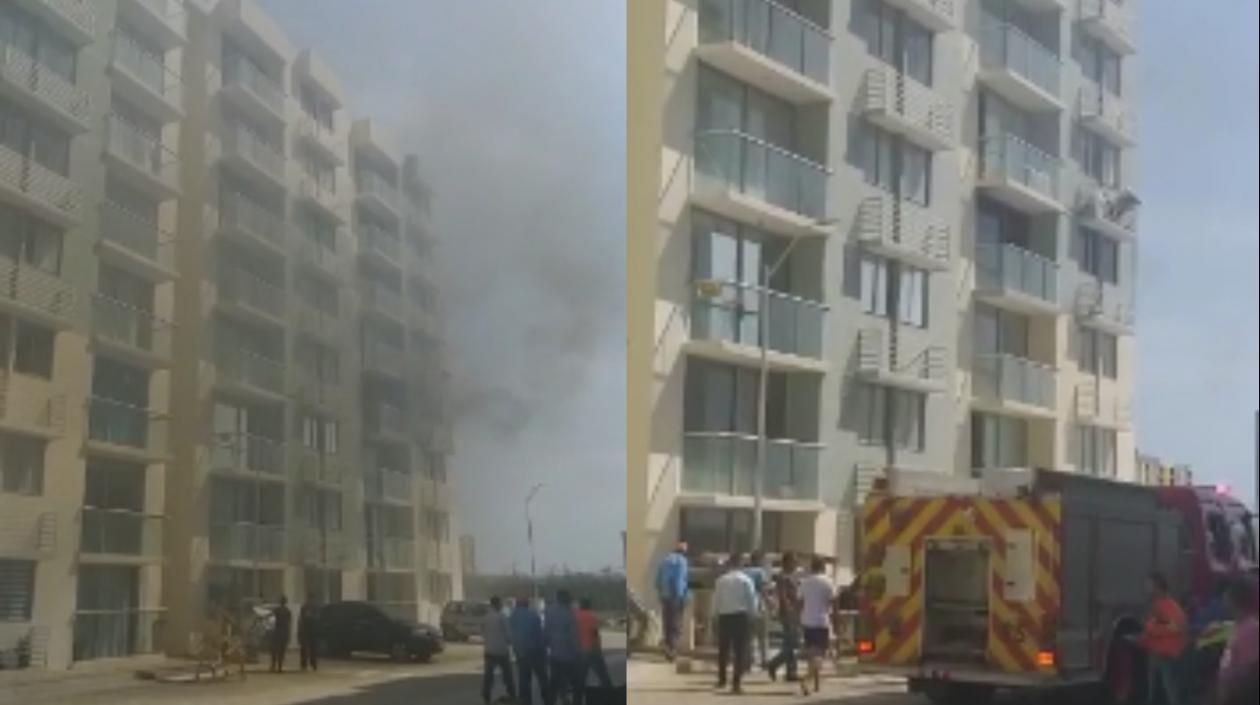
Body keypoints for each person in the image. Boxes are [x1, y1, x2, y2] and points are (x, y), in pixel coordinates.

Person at [1138, 572, 1188, 705]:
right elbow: (1153, 625)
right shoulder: (1157, 605)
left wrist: (1152, 631)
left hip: (1167, 656)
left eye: (1149, 585)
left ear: (1157, 586)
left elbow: (1176, 627)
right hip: (1156, 654)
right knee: (1154, 692)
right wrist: (1144, 639)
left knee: (1170, 692)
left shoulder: (1170, 607)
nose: (1146, 588)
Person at [713, 554, 757, 695]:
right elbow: (752, 600)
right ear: (741, 564)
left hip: (724, 616)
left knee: (723, 650)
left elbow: (716, 600)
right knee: (740, 651)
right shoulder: (746, 580)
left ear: (729, 564)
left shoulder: (720, 581)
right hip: (741, 617)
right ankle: (736, 683)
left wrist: (714, 616)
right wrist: (753, 616)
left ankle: (722, 679)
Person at [1216, 576, 1258, 705]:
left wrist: (1229, 691)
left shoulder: (1251, 629)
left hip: (1240, 695)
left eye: (1227, 596)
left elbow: (1250, 668)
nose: (1224, 600)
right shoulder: (1237, 626)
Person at [798, 557, 836, 696]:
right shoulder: (828, 581)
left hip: (807, 622)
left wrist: (800, 618)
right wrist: (836, 622)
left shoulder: (805, 582)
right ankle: (807, 679)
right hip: (821, 622)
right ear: (823, 567)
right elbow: (833, 602)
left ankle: (816, 685)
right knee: (820, 655)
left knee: (811, 654)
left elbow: (800, 602)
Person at [766, 551, 802, 683]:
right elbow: (782, 595)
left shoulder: (793, 576)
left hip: (794, 612)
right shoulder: (782, 577)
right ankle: (773, 664)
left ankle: (791, 672)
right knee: (792, 643)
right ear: (786, 562)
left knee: (790, 643)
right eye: (793, 561)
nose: (796, 564)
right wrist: (788, 611)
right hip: (788, 613)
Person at [544, 590, 583, 705]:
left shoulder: (549, 612)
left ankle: (551, 702)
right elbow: (573, 636)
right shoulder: (569, 613)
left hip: (555, 654)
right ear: (566, 599)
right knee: (576, 683)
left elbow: (546, 633)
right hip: (568, 655)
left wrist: (546, 648)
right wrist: (578, 652)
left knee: (554, 683)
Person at [510, 595, 548, 705]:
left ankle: (525, 702)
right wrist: (544, 651)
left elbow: (512, 636)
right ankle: (547, 699)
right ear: (527, 604)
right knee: (542, 678)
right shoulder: (533, 615)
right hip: (536, 652)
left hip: (522, 653)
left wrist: (516, 651)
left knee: (524, 680)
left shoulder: (513, 616)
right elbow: (540, 634)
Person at [655, 541, 689, 661]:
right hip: (675, 596)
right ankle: (672, 651)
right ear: (684, 551)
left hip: (665, 597)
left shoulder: (665, 560)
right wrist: (681, 597)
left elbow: (657, 580)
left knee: (667, 624)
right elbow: (678, 579)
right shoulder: (681, 561)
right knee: (675, 624)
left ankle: (668, 648)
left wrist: (661, 594)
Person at [482, 596, 517, 704]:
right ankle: (511, 694)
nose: (502, 606)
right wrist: (512, 644)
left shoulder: (486, 617)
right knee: (507, 674)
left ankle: (486, 695)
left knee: (489, 675)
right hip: (501, 650)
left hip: (489, 650)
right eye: (500, 604)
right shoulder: (502, 617)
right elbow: (508, 635)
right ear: (497, 604)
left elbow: (483, 632)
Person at [576, 598, 613, 695]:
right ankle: (611, 696)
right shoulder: (591, 617)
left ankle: (578, 698)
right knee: (603, 675)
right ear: (589, 606)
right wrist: (598, 648)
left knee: (581, 677)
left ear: (580, 606)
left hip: (580, 650)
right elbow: (594, 633)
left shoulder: (575, 617)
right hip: (592, 649)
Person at [743, 551, 770, 673]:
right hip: (759, 606)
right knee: (763, 636)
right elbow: (764, 590)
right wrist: (770, 603)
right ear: (759, 560)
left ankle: (748, 661)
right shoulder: (760, 572)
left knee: (749, 637)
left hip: (745, 608)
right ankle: (764, 661)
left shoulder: (744, 572)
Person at [269, 595, 292, 673]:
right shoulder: (288, 611)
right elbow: (289, 624)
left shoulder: (276, 610)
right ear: (285, 602)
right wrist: (289, 634)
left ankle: (273, 665)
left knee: (275, 649)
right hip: (284, 631)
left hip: (277, 631)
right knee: (282, 650)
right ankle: (279, 667)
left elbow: (271, 620)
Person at [297, 599, 321, 672]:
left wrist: (300, 632)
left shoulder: (305, 607)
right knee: (312, 649)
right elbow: (318, 619)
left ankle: (305, 664)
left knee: (305, 648)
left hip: (306, 631)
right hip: (311, 631)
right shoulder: (315, 608)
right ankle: (312, 664)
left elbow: (300, 620)